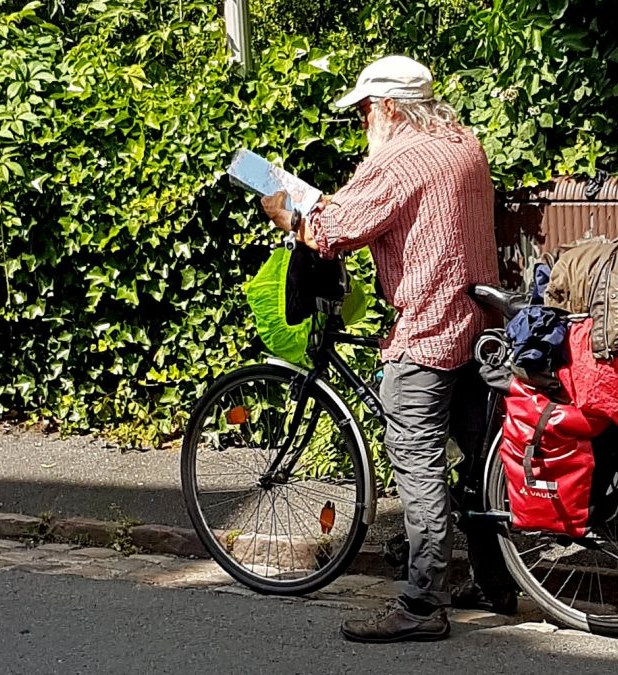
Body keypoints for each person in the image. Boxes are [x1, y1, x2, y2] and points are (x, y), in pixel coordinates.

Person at [259, 54, 516, 643]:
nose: (363, 124)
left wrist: (283, 205)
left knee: (419, 470)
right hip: (479, 326)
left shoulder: (399, 159)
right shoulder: (463, 143)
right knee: (479, 466)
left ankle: (423, 606)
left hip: (427, 330)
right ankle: (498, 585)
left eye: (366, 111)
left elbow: (332, 230)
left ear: (389, 108)